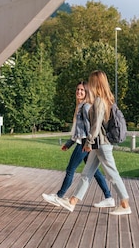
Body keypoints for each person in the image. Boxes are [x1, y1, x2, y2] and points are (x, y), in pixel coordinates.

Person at [54, 70, 131, 215]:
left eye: (90, 82)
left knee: (112, 174)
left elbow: (96, 125)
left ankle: (125, 204)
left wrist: (88, 142)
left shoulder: (99, 101)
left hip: (101, 144)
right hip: (98, 144)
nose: (88, 85)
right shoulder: (103, 100)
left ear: (96, 83)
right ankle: (72, 202)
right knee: (86, 173)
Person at [42, 81, 115, 208]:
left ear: (87, 92)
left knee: (70, 169)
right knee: (95, 172)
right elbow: (77, 130)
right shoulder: (80, 106)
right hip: (84, 143)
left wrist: (88, 144)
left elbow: (90, 128)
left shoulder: (86, 107)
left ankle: (59, 196)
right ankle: (109, 197)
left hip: (84, 144)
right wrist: (69, 143)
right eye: (78, 90)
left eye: (82, 90)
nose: (79, 92)